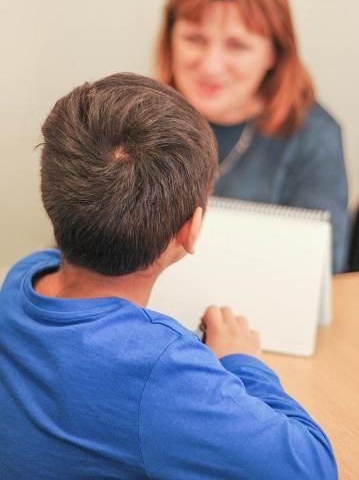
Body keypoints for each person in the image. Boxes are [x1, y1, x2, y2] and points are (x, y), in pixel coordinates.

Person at [0, 73, 337, 479]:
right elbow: (312, 468)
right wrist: (243, 363)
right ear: (190, 230)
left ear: (50, 194)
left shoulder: (22, 278)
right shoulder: (161, 371)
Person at [155, 0, 349, 273]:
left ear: (274, 53)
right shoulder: (142, 117)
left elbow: (321, 274)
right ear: (170, 38)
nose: (211, 65)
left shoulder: (315, 137)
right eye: (194, 39)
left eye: (237, 46)